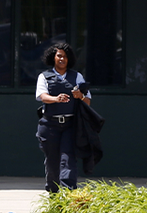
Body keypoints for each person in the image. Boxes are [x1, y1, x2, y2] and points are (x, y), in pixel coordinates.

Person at [35, 42, 91, 193]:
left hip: (70, 125)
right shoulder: (44, 76)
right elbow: (42, 96)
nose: (62, 59)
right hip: (49, 125)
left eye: (65, 57)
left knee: (68, 160)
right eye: (59, 56)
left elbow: (88, 101)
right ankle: (53, 193)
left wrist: (80, 96)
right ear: (53, 57)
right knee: (52, 162)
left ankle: (68, 195)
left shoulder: (77, 76)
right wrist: (56, 99)